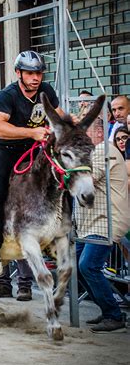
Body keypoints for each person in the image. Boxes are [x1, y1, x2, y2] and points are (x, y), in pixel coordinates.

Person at [0, 51, 64, 276]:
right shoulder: (8, 95)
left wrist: (70, 122)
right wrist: (32, 132)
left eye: (38, 73)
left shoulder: (46, 91)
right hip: (6, 150)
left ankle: (63, 230)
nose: (35, 78)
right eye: (29, 73)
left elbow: (57, 115)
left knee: (63, 177)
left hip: (33, 149)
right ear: (19, 73)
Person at [75, 115, 129, 333]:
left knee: (88, 265)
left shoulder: (102, 151)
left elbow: (85, 179)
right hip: (92, 223)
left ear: (97, 132)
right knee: (77, 266)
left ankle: (113, 315)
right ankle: (109, 308)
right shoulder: (95, 150)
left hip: (108, 220)